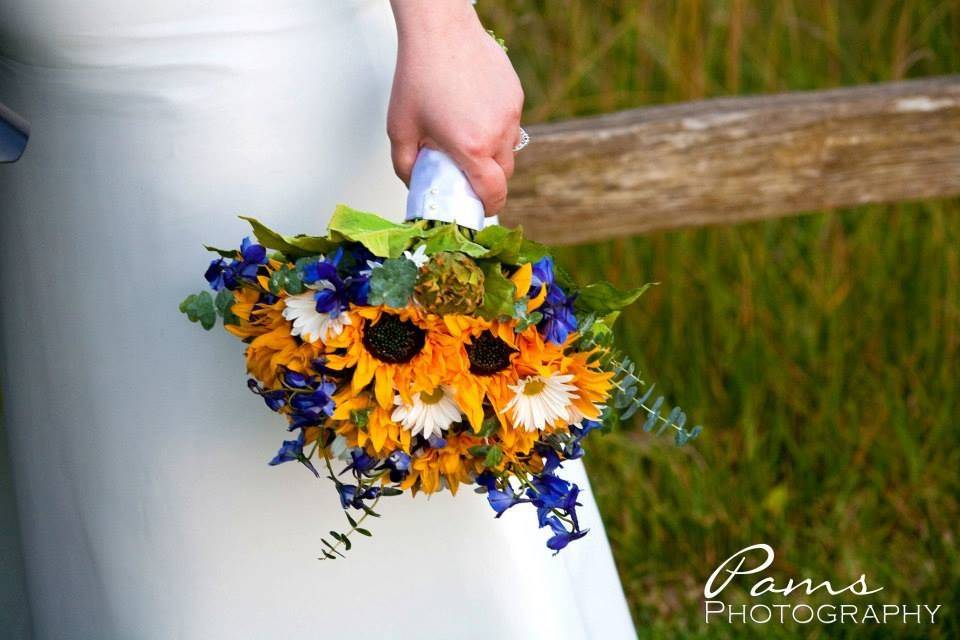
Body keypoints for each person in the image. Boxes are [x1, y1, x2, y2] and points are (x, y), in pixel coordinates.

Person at [0, 1, 636, 638]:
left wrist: (443, 28)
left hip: (260, 55)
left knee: (412, 446)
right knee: (139, 505)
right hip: (52, 102)